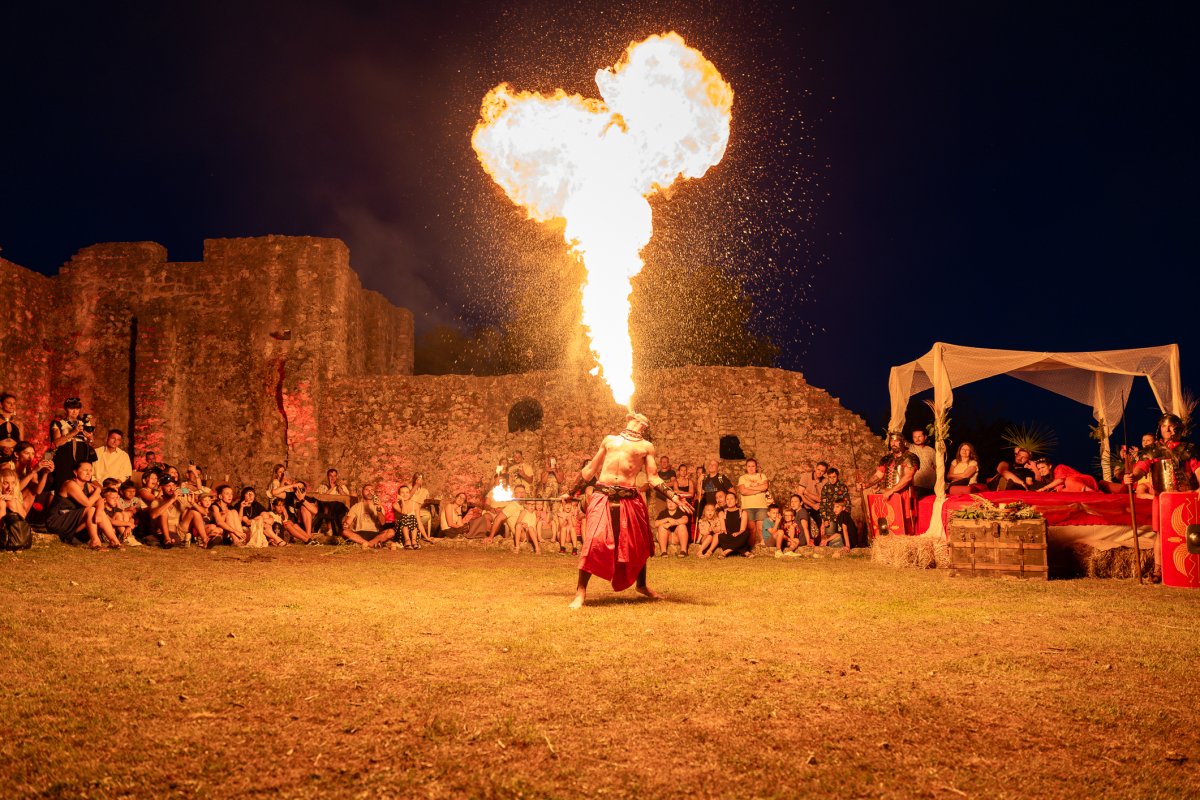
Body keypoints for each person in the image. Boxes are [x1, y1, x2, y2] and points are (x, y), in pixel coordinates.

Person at [564, 412, 690, 608]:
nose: (638, 416)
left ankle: (642, 585)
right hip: (602, 496)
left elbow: (653, 478)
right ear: (629, 418)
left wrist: (673, 495)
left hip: (629, 498)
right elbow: (589, 470)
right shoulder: (610, 440)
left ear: (645, 425)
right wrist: (570, 491)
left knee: (638, 543)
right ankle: (581, 592)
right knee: (594, 540)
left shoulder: (646, 447)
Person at [45, 461, 120, 548]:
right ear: (75, 472)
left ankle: (114, 541)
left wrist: (99, 512)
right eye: (85, 470)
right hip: (58, 520)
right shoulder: (70, 484)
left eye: (91, 470)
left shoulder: (89, 486)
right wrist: (98, 491)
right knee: (91, 509)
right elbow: (87, 503)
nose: (89, 473)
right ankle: (95, 541)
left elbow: (100, 501)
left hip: (74, 523)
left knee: (98, 511)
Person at [860, 433, 920, 535]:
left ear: (903, 442)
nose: (893, 443)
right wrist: (866, 484)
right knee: (890, 522)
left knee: (905, 523)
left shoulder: (910, 457)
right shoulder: (886, 459)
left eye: (896, 441)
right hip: (888, 495)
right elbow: (879, 475)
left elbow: (908, 477)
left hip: (904, 495)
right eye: (892, 441)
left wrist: (892, 491)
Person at [49, 398, 97, 490]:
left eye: (77, 409)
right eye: (71, 408)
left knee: (82, 482)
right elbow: (56, 443)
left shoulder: (84, 422)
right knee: (64, 482)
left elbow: (91, 442)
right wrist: (73, 433)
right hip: (65, 455)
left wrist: (90, 438)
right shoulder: (58, 423)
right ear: (66, 409)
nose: (75, 411)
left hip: (82, 454)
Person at [342, 485, 392, 549]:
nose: (369, 492)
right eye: (367, 490)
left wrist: (378, 508)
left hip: (375, 534)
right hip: (359, 533)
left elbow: (382, 523)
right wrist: (346, 525)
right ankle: (372, 545)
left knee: (391, 532)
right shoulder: (356, 506)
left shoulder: (379, 506)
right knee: (345, 531)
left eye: (371, 490)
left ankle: (364, 544)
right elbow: (347, 523)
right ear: (362, 492)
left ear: (374, 493)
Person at [736, 458, 770, 547]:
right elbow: (743, 491)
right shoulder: (742, 478)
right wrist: (759, 490)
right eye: (749, 466)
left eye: (753, 466)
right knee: (751, 529)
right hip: (748, 506)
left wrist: (749, 489)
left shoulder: (762, 476)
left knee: (761, 528)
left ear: (756, 467)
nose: (751, 468)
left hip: (761, 506)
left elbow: (765, 486)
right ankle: (752, 547)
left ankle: (763, 547)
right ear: (746, 467)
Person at [714, 491, 753, 558]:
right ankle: (744, 551)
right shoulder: (722, 513)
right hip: (728, 536)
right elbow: (723, 529)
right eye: (727, 499)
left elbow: (742, 529)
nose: (729, 501)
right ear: (725, 501)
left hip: (739, 536)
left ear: (736, 501)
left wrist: (738, 533)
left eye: (731, 499)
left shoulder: (743, 512)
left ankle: (727, 551)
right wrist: (723, 531)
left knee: (746, 533)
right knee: (721, 535)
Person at [818, 468, 851, 540]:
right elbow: (823, 504)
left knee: (842, 537)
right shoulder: (826, 487)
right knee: (829, 538)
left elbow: (847, 503)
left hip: (841, 517)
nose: (832, 479)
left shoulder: (843, 487)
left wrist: (846, 517)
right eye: (830, 477)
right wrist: (825, 519)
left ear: (837, 476)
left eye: (834, 477)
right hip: (830, 518)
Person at [796, 461, 828, 535]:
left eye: (822, 471)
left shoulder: (825, 481)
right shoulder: (806, 476)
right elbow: (800, 494)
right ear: (815, 468)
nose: (819, 472)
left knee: (821, 526)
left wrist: (806, 493)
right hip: (805, 506)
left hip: (818, 508)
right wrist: (812, 505)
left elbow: (821, 499)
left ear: (825, 472)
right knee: (804, 525)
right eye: (818, 469)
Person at [1032, 458, 1098, 492]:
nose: (1041, 470)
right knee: (1060, 489)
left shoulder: (1059, 467)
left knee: (1068, 481)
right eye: (1039, 469)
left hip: (1086, 481)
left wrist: (1045, 488)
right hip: (1074, 484)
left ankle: (1092, 493)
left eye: (1043, 467)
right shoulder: (1049, 477)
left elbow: (1060, 480)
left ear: (1050, 466)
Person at [392, 484, 426, 549]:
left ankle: (413, 541)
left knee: (412, 517)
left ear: (409, 493)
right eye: (402, 493)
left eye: (407, 492)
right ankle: (407, 541)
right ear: (398, 494)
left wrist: (426, 537)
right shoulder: (395, 504)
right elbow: (404, 512)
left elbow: (419, 522)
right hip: (400, 534)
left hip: (413, 533)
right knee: (406, 517)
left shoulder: (415, 504)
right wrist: (402, 500)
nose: (405, 494)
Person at [909, 429, 937, 499]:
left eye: (919, 436)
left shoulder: (931, 450)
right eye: (914, 437)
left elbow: (936, 467)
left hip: (931, 486)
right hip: (916, 485)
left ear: (925, 437)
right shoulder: (910, 448)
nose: (917, 439)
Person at [0, 393, 20, 462]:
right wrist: (2, 448)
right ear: (1, 404)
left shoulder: (19, 423)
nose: (12, 405)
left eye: (14, 403)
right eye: (9, 403)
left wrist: (13, 450)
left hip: (14, 456)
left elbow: (21, 444)